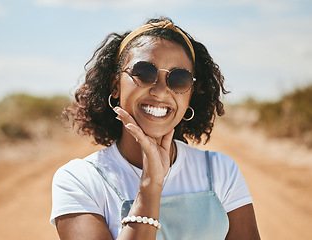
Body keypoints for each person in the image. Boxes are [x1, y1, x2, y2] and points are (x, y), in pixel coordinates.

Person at [50, 17, 261, 240]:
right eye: (143, 73)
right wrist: (150, 186)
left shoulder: (220, 172)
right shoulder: (81, 180)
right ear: (115, 85)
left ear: (190, 94)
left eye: (179, 78)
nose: (160, 92)